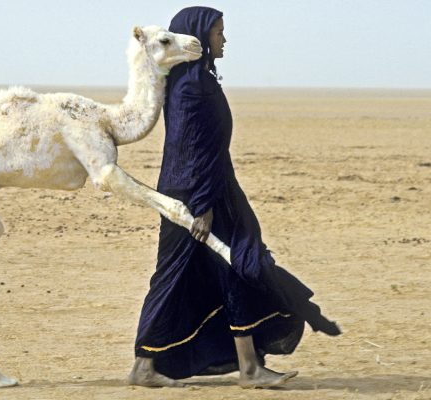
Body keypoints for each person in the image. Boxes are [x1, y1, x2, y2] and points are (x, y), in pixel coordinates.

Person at [128, 6, 341, 389]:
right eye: (217, 33)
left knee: (223, 271)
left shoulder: (196, 79)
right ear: (197, 37)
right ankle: (239, 368)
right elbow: (194, 148)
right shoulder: (192, 86)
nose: (223, 39)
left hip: (206, 190)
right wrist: (205, 206)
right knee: (205, 272)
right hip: (194, 195)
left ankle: (237, 365)